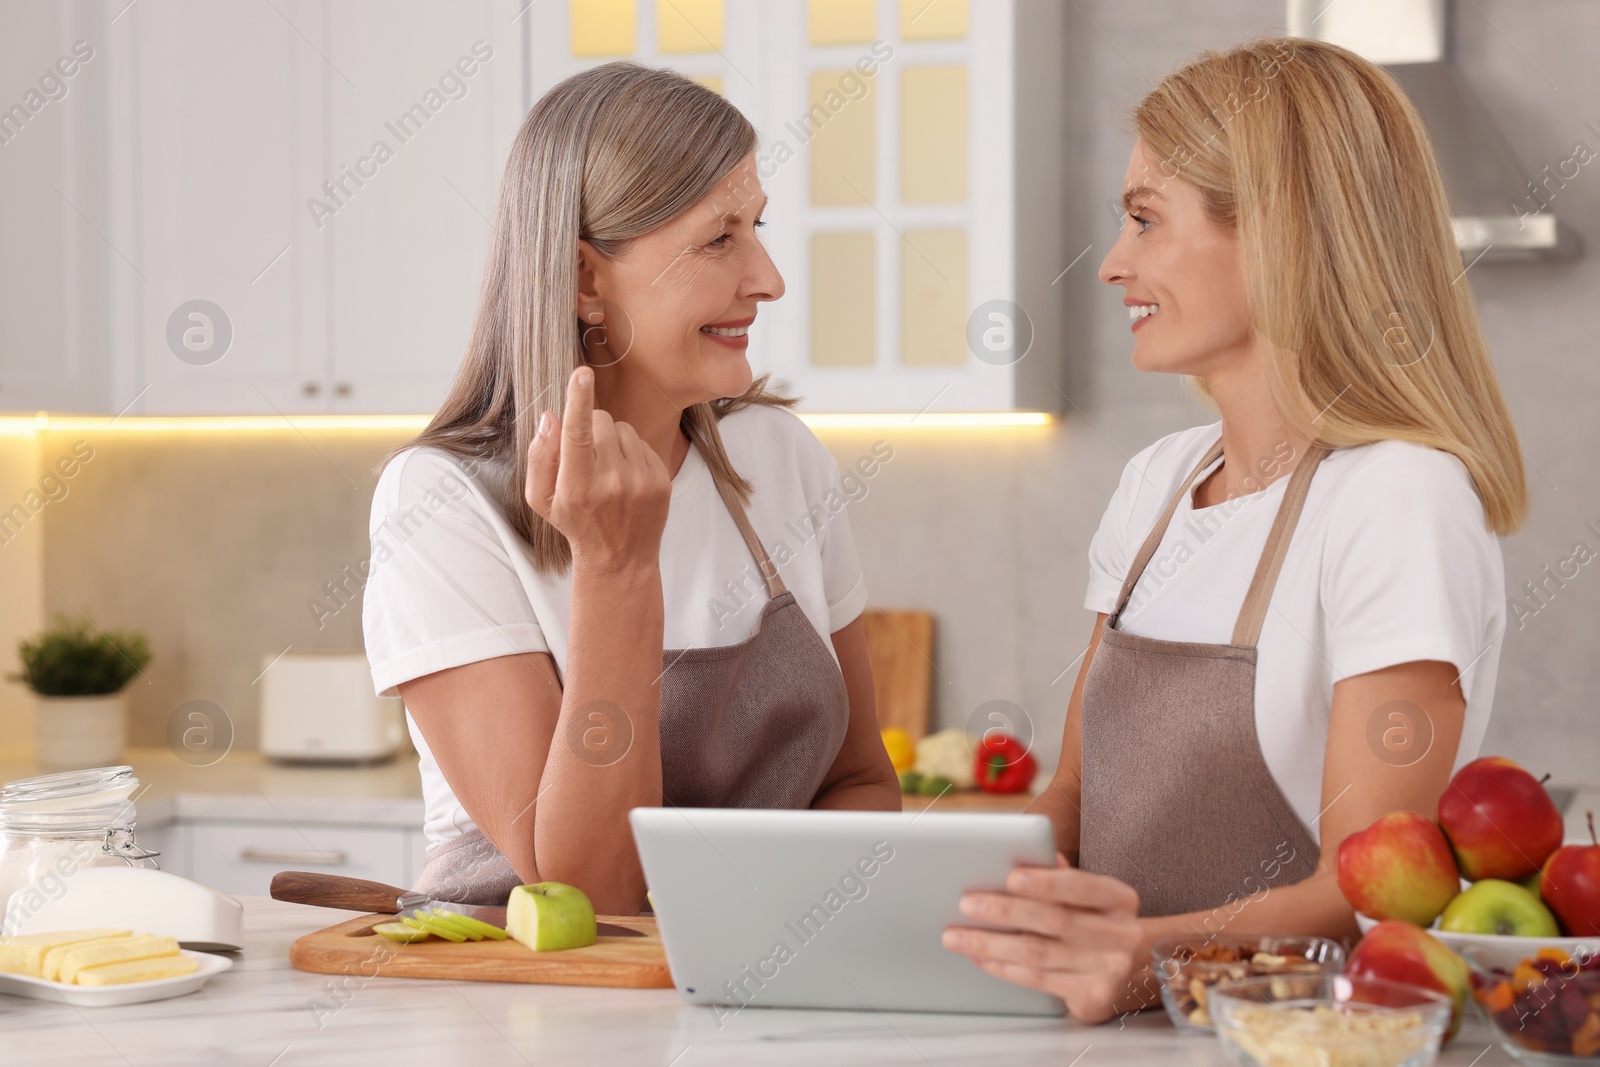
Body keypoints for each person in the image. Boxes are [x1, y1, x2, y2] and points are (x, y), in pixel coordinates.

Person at [941, 37, 1525, 1023]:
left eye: (1142, 221)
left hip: (1295, 1038)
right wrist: (939, 887)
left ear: (1277, 234)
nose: (1112, 265)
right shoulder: (1156, 484)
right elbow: (1070, 813)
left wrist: (1142, 958)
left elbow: (1376, 892)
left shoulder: (1396, 499)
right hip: (1110, 1036)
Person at [361, 62, 899, 917]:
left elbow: (861, 781)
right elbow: (586, 893)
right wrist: (615, 569)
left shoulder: (783, 459)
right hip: (535, 1021)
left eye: (757, 228)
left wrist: (770, 935)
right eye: (720, 238)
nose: (768, 277)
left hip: (755, 997)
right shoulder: (440, 504)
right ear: (584, 281)